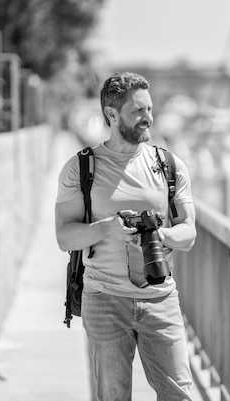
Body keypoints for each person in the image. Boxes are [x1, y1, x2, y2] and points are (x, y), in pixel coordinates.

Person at [54, 71, 197, 400]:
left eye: (149, 109)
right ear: (111, 114)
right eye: (138, 111)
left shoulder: (168, 165)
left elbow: (189, 233)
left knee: (180, 395)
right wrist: (108, 228)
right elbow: (64, 237)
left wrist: (160, 235)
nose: (148, 118)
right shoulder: (81, 169)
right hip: (104, 300)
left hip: (160, 299)